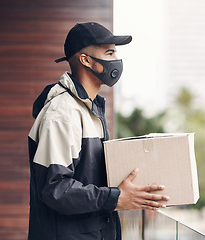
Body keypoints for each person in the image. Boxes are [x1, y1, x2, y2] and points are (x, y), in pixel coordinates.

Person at [27, 22, 169, 240]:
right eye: (109, 53)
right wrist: (115, 198)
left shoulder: (90, 109)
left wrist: (135, 194)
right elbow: (56, 189)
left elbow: (91, 179)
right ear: (86, 60)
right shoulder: (63, 113)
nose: (117, 61)